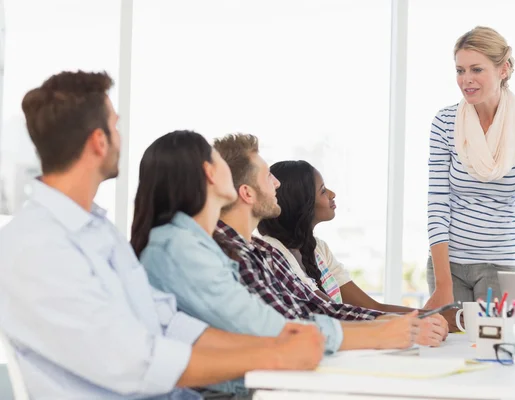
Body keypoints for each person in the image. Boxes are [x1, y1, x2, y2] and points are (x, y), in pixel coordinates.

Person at [0, 71, 324, 400]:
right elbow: (136, 364)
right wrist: (274, 355)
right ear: (99, 141)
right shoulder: (37, 246)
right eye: (115, 125)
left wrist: (279, 341)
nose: (120, 137)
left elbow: (166, 323)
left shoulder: (99, 231)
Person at [131, 131, 438, 366]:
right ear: (214, 175)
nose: (276, 183)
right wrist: (377, 333)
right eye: (268, 175)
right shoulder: (182, 248)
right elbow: (270, 326)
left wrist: (384, 325)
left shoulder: (254, 250)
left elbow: (313, 309)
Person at [212, 133, 448, 345]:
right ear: (247, 193)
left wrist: (405, 323)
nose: (277, 184)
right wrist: (391, 329)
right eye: (268, 177)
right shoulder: (235, 254)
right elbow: (292, 328)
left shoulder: (260, 251)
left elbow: (318, 309)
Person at [255, 160, 458, 330]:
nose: (332, 194)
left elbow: (370, 306)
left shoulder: (318, 249)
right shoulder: (274, 254)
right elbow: (331, 312)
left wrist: (437, 315)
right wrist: (428, 318)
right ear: (302, 204)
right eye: (323, 191)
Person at [425, 26, 515, 309]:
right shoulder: (444, 122)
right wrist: (444, 284)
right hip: (448, 266)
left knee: (491, 349)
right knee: (448, 349)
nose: (466, 80)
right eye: (460, 70)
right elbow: (438, 203)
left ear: (503, 69)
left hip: (502, 266)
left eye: (476, 70)